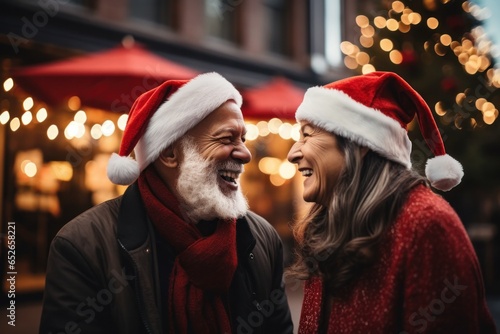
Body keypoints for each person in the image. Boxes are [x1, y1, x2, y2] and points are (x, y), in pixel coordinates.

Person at [39, 72, 293, 334]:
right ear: (169, 153)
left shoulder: (264, 240)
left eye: (243, 139)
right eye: (227, 138)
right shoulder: (82, 245)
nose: (245, 154)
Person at [286, 71, 497, 333]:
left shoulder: (427, 227)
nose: (292, 153)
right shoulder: (327, 229)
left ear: (360, 144)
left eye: (307, 134)